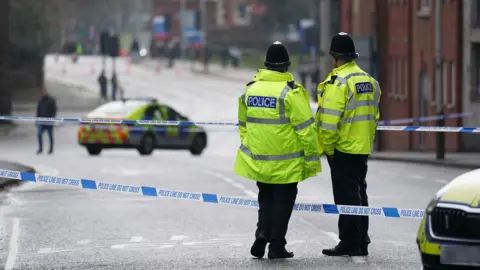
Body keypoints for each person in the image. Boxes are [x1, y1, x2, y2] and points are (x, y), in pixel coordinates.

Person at [234, 41, 321, 259]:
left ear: (265, 64)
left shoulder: (250, 90)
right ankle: (276, 246)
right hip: (286, 163)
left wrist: (252, 148)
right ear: (286, 66)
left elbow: (243, 125)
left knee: (265, 198)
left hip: (259, 160)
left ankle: (262, 232)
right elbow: (306, 131)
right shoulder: (290, 93)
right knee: (283, 203)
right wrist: (311, 161)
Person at [316, 32, 381, 257]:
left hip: (343, 148)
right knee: (360, 194)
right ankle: (361, 239)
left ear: (335, 57)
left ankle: (349, 242)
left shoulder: (339, 82)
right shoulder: (369, 81)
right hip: (362, 147)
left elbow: (329, 122)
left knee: (346, 198)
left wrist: (329, 149)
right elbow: (374, 116)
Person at [36, 88, 57, 154]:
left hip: (49, 121)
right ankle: (40, 148)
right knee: (39, 134)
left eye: (44, 92)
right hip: (41, 121)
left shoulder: (51, 100)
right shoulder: (40, 101)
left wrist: (52, 118)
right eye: (43, 92)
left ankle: (51, 149)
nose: (43, 93)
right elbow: (38, 111)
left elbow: (54, 110)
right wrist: (37, 120)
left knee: (50, 135)